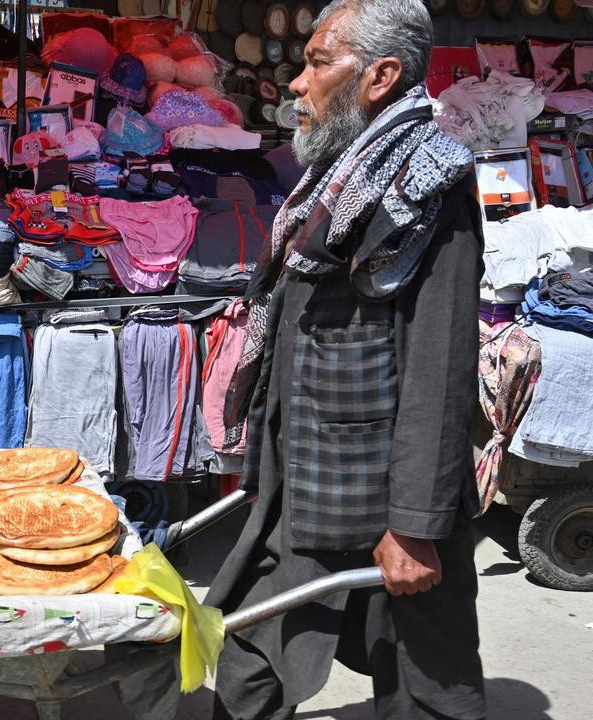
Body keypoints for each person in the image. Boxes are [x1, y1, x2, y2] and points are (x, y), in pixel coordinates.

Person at [207, 1, 487, 718]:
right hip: (307, 470)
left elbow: (440, 361)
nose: (297, 83)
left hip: (386, 489)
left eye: (318, 62)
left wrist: (417, 527)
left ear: (381, 76)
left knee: (428, 686)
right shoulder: (343, 167)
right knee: (248, 655)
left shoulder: (430, 182)